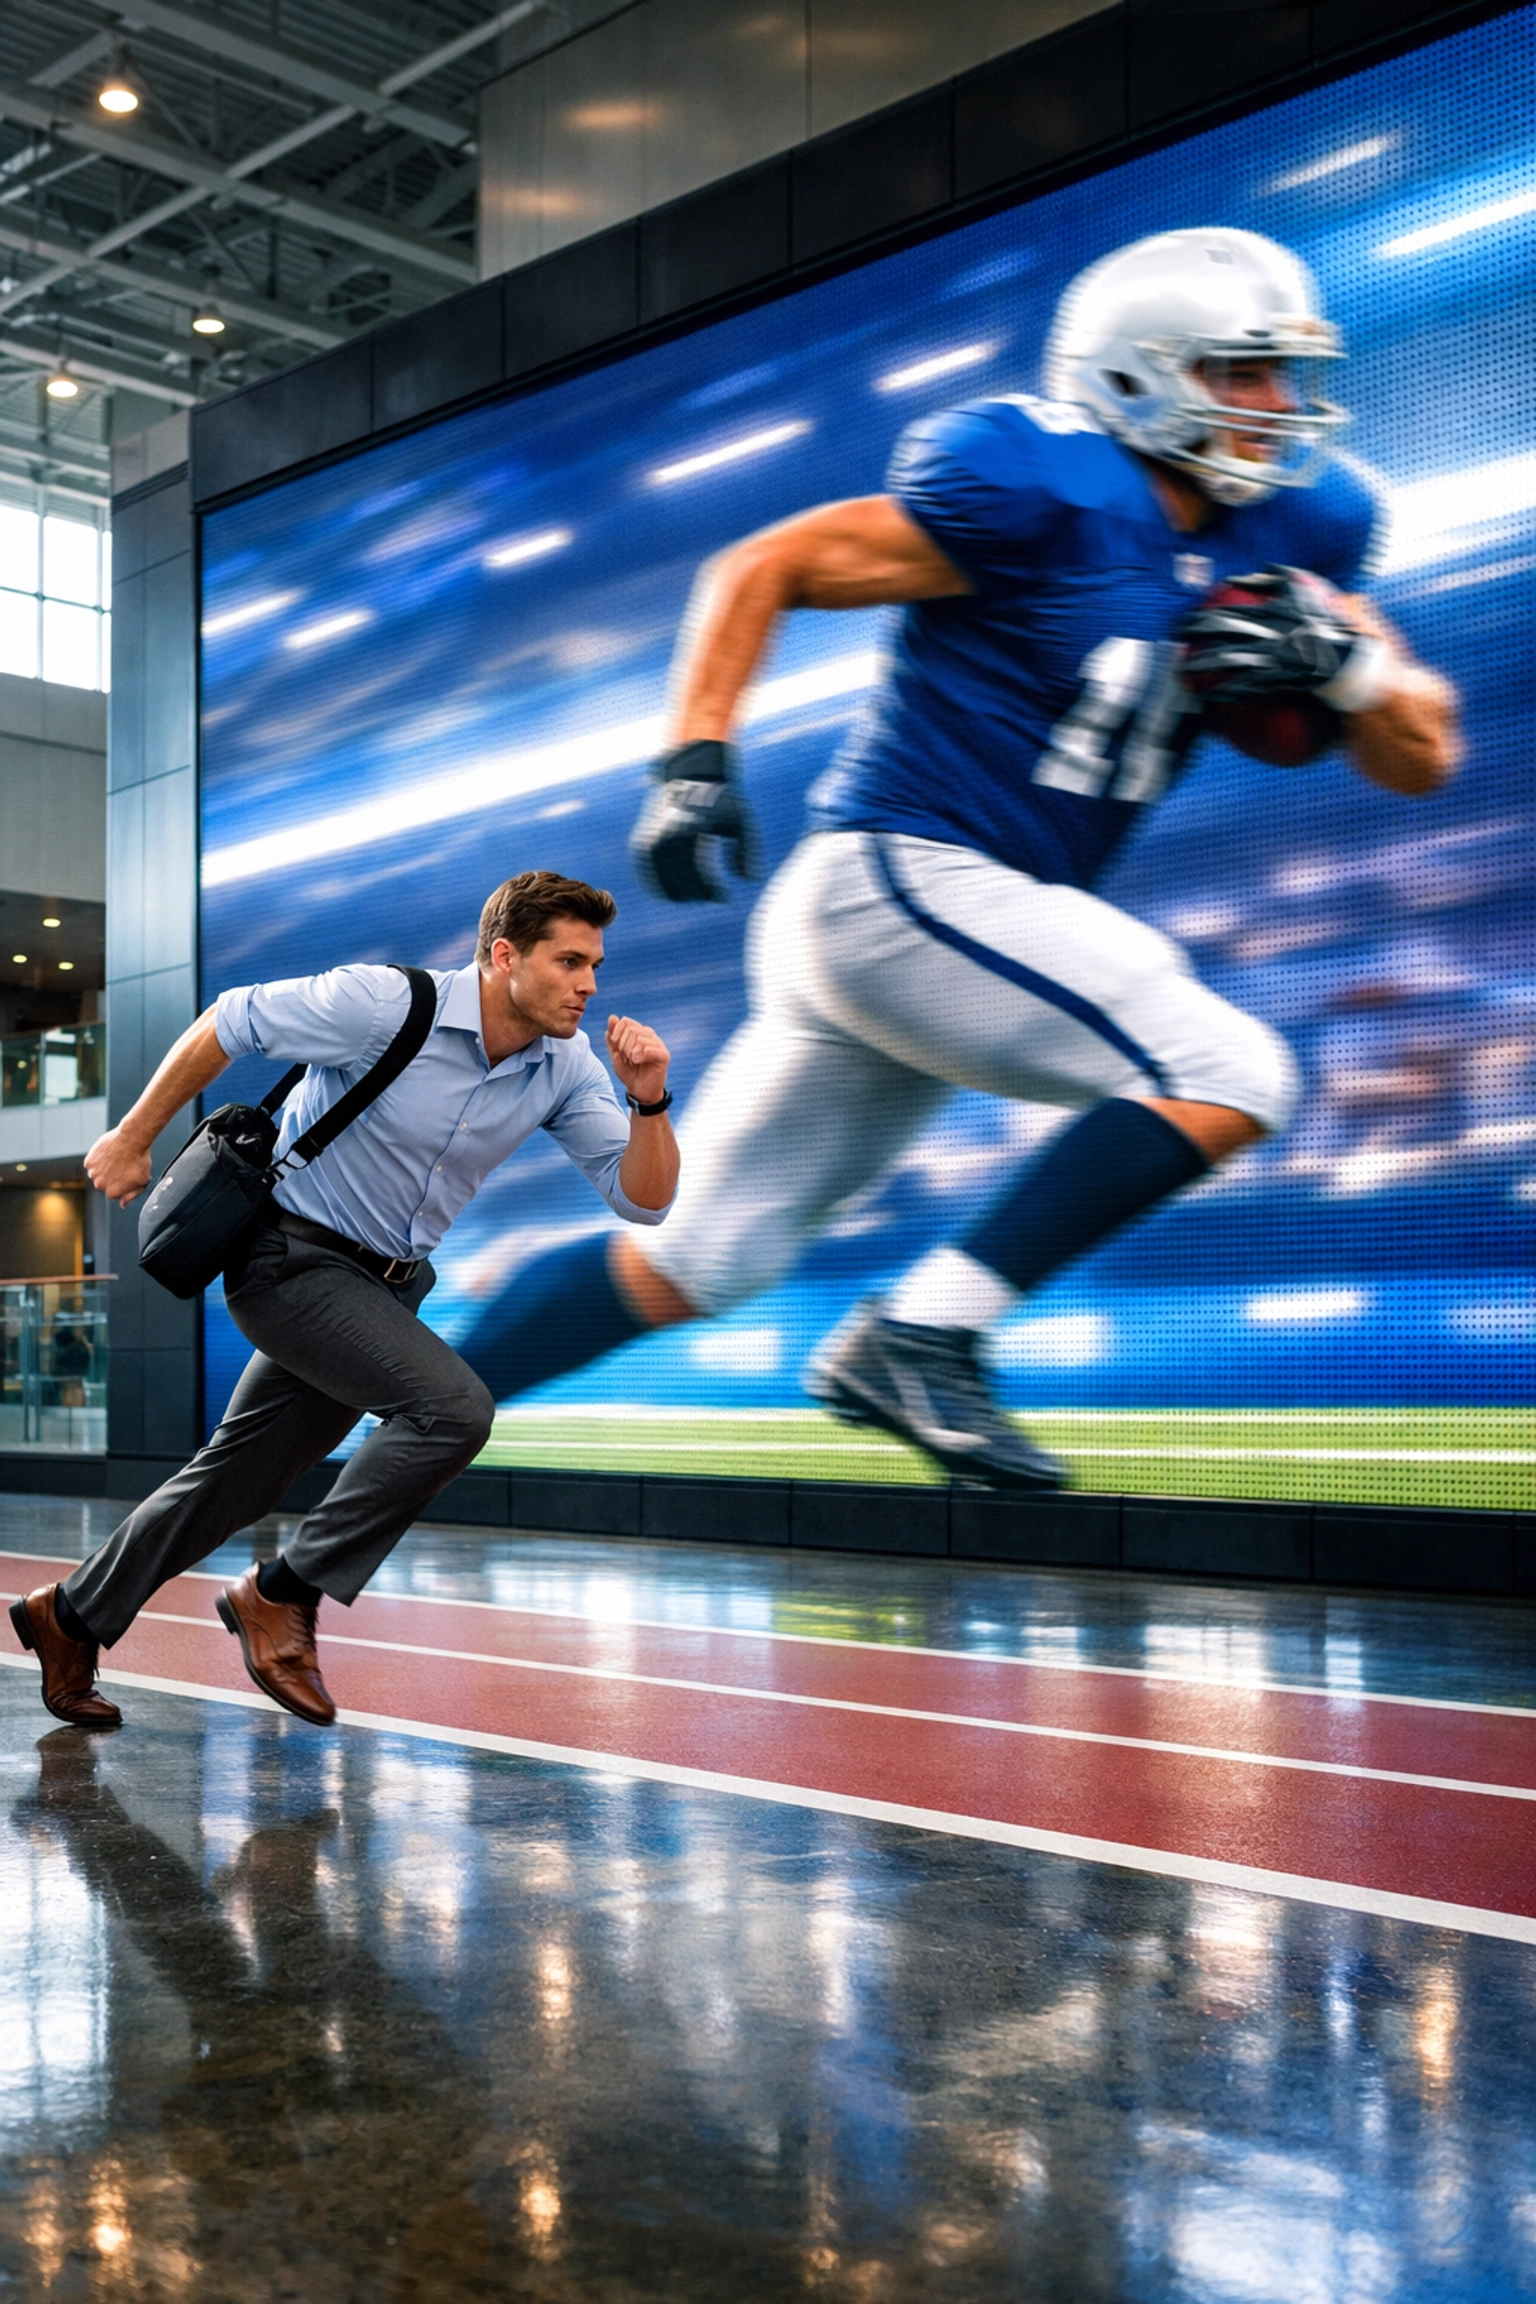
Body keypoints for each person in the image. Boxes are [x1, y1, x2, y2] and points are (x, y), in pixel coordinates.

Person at [452, 228, 1462, 1489]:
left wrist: (1357, 670)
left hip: (942, 926)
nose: (1277, 404)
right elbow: (767, 563)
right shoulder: (1044, 489)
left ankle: (365, 1421)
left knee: (700, 1257)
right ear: (1139, 376)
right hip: (906, 877)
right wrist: (695, 759)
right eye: (1240, 371)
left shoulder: (1305, 530)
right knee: (1232, 1062)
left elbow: (1420, 756)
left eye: (1282, 372)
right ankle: (922, 1334)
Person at [9, 870, 677, 1730]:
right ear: (505, 955)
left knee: (236, 1481)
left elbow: (643, 1200)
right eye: (570, 961)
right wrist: (132, 1136)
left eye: (595, 965)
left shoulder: (565, 1066)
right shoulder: (382, 1004)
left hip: (387, 1289)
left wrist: (650, 1097)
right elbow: (229, 1020)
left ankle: (66, 1617)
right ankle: (280, 1595)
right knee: (453, 1411)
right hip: (287, 1261)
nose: (590, 984)